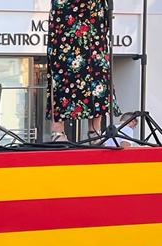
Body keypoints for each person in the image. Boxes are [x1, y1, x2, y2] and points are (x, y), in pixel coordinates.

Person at [46, 0, 118, 142]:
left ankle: (94, 131)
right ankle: (58, 130)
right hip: (67, 13)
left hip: (94, 14)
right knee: (64, 70)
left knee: (98, 72)